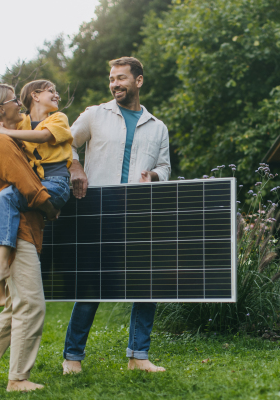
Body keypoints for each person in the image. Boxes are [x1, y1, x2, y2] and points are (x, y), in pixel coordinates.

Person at [62, 56, 170, 374]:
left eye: (121, 78)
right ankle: (72, 358)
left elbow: (165, 167)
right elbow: (64, 143)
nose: (114, 84)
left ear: (138, 81)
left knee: (147, 284)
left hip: (138, 213)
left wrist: (154, 176)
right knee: (92, 285)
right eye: (112, 79)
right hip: (98, 210)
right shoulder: (95, 115)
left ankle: (138, 356)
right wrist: (76, 166)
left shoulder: (158, 127)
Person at [0, 84, 59, 392]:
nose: (19, 104)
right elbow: (27, 186)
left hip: (20, 231)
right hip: (17, 232)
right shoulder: (2, 144)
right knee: (32, 304)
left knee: (15, 305)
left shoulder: (7, 136)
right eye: (12, 101)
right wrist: (50, 207)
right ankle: (18, 379)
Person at [0, 80, 72, 317]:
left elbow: (43, 137)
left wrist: (4, 131)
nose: (57, 95)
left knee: (5, 197)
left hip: (56, 184)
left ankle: (0, 267)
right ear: (36, 96)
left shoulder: (58, 119)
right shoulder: (23, 121)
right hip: (38, 183)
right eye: (52, 91)